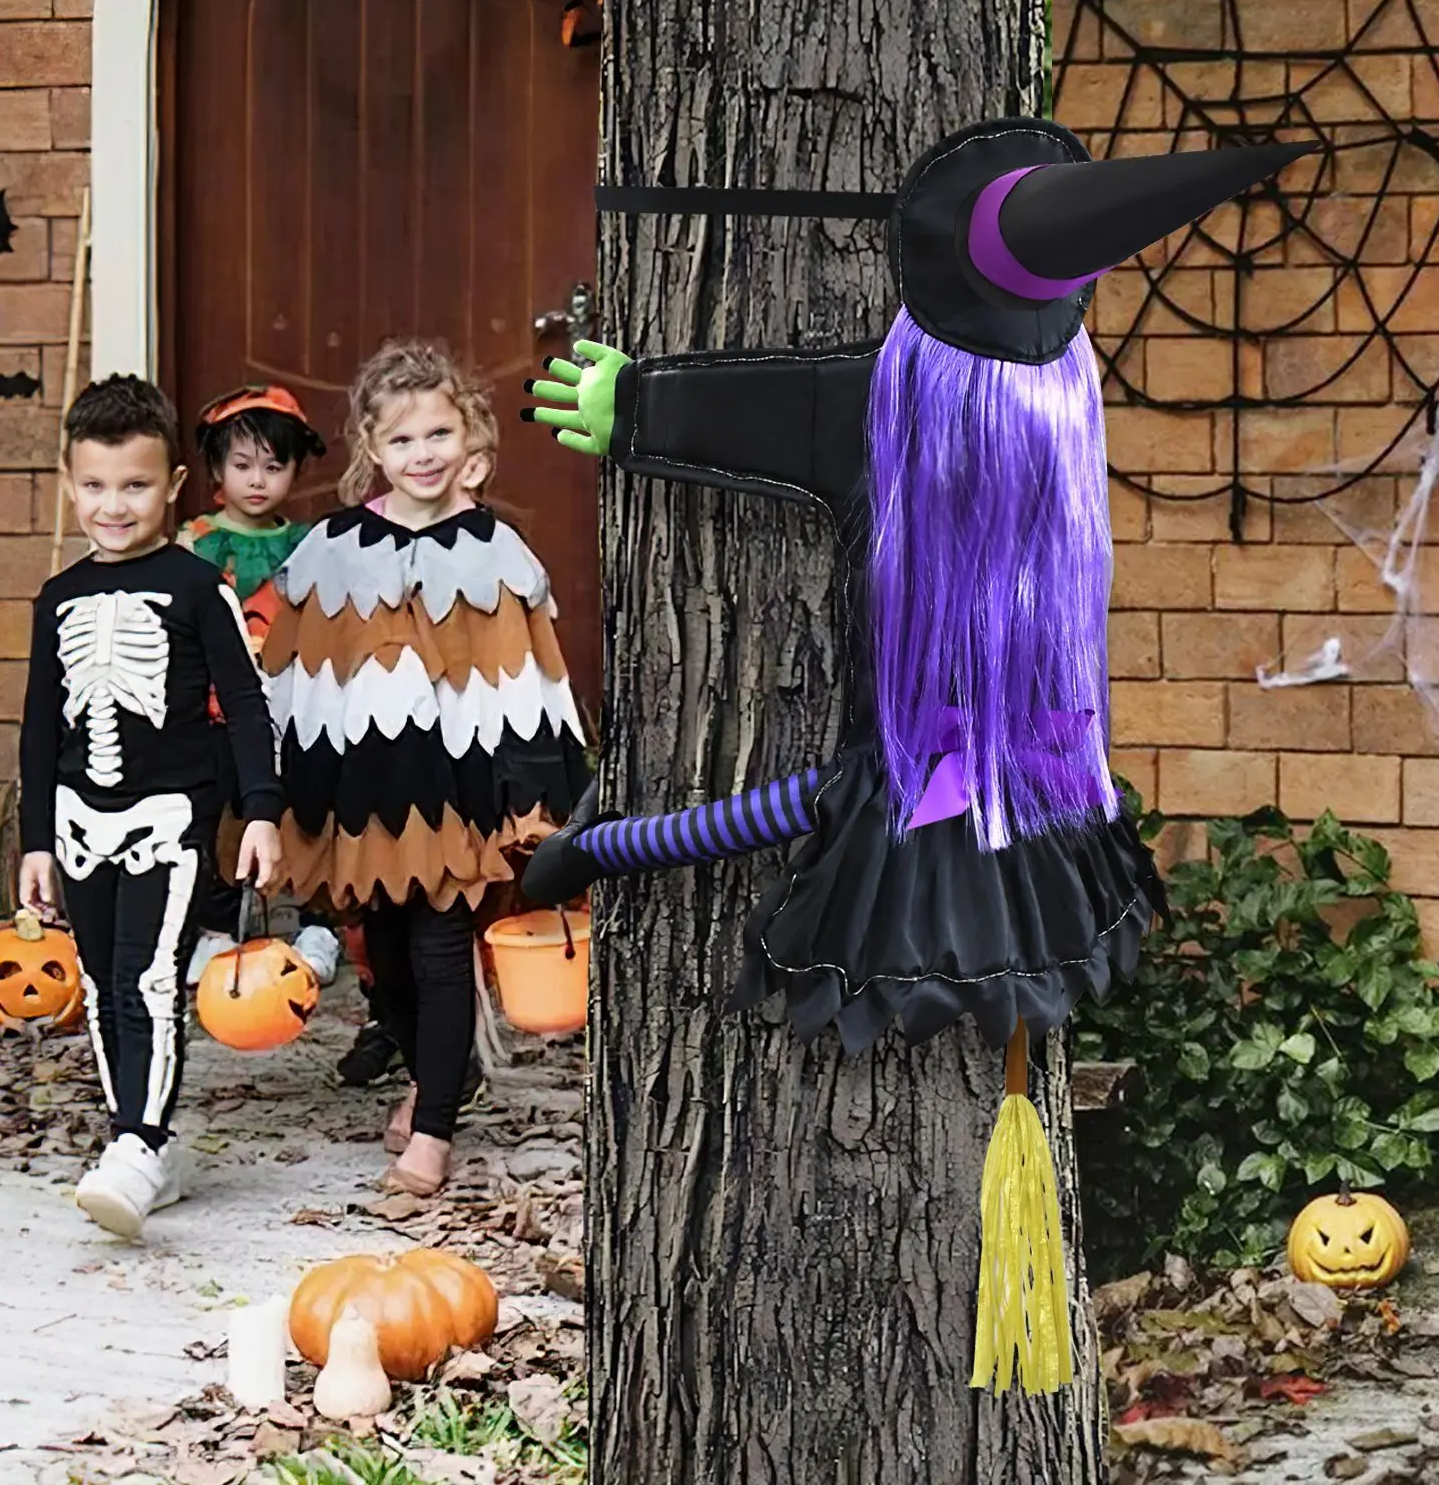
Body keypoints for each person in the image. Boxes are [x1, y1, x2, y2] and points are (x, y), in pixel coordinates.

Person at [520, 120, 1313, 1394]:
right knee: (821, 808)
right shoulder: (1059, 442)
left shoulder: (886, 408)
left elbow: (779, 407)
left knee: (813, 807)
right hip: (1046, 804)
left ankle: (596, 853)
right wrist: (642, 404)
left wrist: (629, 402)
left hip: (929, 824)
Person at [262, 339, 590, 1195]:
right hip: (367, 797)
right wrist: (283, 798)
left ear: (471, 437)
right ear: (373, 446)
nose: (422, 454)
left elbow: (533, 684)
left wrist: (535, 801)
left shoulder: (497, 554)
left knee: (444, 948)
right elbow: (295, 684)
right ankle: (434, 1074)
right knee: (390, 959)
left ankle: (435, 1131)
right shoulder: (329, 552)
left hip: (460, 796)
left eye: (440, 433)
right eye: (403, 440)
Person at [17, 374, 283, 1240]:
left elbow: (245, 704)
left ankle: (138, 1139)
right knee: (100, 983)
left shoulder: (196, 586)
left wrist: (263, 813)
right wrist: (34, 841)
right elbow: (38, 727)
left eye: (134, 485)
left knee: (151, 975)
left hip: (169, 815)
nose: (113, 505)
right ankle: (140, 1144)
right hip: (76, 820)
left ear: (171, 487)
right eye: (94, 485)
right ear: (69, 483)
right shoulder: (57, 597)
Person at [174, 385, 343, 988]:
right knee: (216, 817)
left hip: (292, 705)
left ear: (296, 469)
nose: (257, 481)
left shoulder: (306, 546)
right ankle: (220, 928)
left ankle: (318, 922)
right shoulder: (193, 542)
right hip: (217, 711)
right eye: (242, 466)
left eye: (274, 466)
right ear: (216, 467)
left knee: (305, 810)